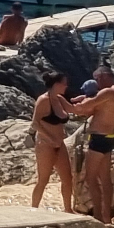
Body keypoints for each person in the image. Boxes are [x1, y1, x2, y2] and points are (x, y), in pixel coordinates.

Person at [67, 65, 114, 225]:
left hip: (99, 139)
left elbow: (87, 107)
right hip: (109, 137)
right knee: (105, 179)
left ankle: (99, 217)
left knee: (90, 178)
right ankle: (107, 217)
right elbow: (95, 107)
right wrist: (84, 101)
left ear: (103, 77)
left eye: (98, 79)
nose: (97, 83)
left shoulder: (108, 92)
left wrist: (75, 105)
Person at [30, 72, 75, 213]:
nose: (66, 86)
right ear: (56, 84)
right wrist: (51, 138)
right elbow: (35, 124)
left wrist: (91, 101)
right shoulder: (43, 100)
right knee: (43, 180)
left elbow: (74, 109)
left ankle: (68, 209)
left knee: (67, 178)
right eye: (64, 83)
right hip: (45, 144)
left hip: (59, 144)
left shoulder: (59, 99)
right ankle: (33, 209)